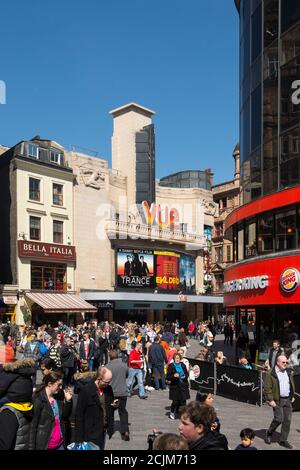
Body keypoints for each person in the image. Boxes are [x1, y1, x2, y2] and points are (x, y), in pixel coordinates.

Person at [28, 371, 73, 450]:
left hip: (60, 444)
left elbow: (64, 416)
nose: (60, 388)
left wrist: (68, 401)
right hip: (45, 445)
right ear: (49, 384)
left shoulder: (58, 397)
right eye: (58, 385)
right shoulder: (39, 399)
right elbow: (33, 427)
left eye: (61, 385)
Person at [75, 367, 117, 450]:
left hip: (103, 431)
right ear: (99, 379)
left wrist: (114, 405)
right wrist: (79, 438)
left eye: (109, 382)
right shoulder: (86, 391)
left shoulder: (108, 389)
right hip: (91, 433)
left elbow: (109, 406)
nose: (108, 384)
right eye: (106, 382)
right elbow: (79, 415)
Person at [0, 358, 35, 449]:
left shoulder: (8, 372)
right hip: (24, 400)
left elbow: (1, 388)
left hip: (12, 398)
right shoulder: (25, 372)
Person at [264, 355, 295, 449]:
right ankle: (269, 433)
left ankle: (283, 440)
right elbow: (267, 388)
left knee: (287, 420)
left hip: (287, 400)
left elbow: (291, 384)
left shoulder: (288, 372)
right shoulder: (271, 373)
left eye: (286, 362)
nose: (285, 364)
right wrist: (271, 400)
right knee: (279, 419)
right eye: (283, 362)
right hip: (277, 400)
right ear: (277, 362)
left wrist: (292, 395)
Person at [106, 350, 130, 441]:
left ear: (110, 357)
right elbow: (127, 375)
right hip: (122, 392)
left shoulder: (108, 367)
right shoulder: (124, 365)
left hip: (112, 393)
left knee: (110, 412)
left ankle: (110, 430)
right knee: (123, 411)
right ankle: (125, 431)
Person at [166, 352, 190, 420]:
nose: (177, 359)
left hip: (183, 385)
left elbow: (186, 373)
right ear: (174, 359)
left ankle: (183, 414)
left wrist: (184, 376)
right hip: (175, 386)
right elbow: (168, 377)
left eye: (178, 358)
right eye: (176, 358)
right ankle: (172, 411)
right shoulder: (171, 366)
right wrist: (173, 376)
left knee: (183, 402)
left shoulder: (183, 365)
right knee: (175, 401)